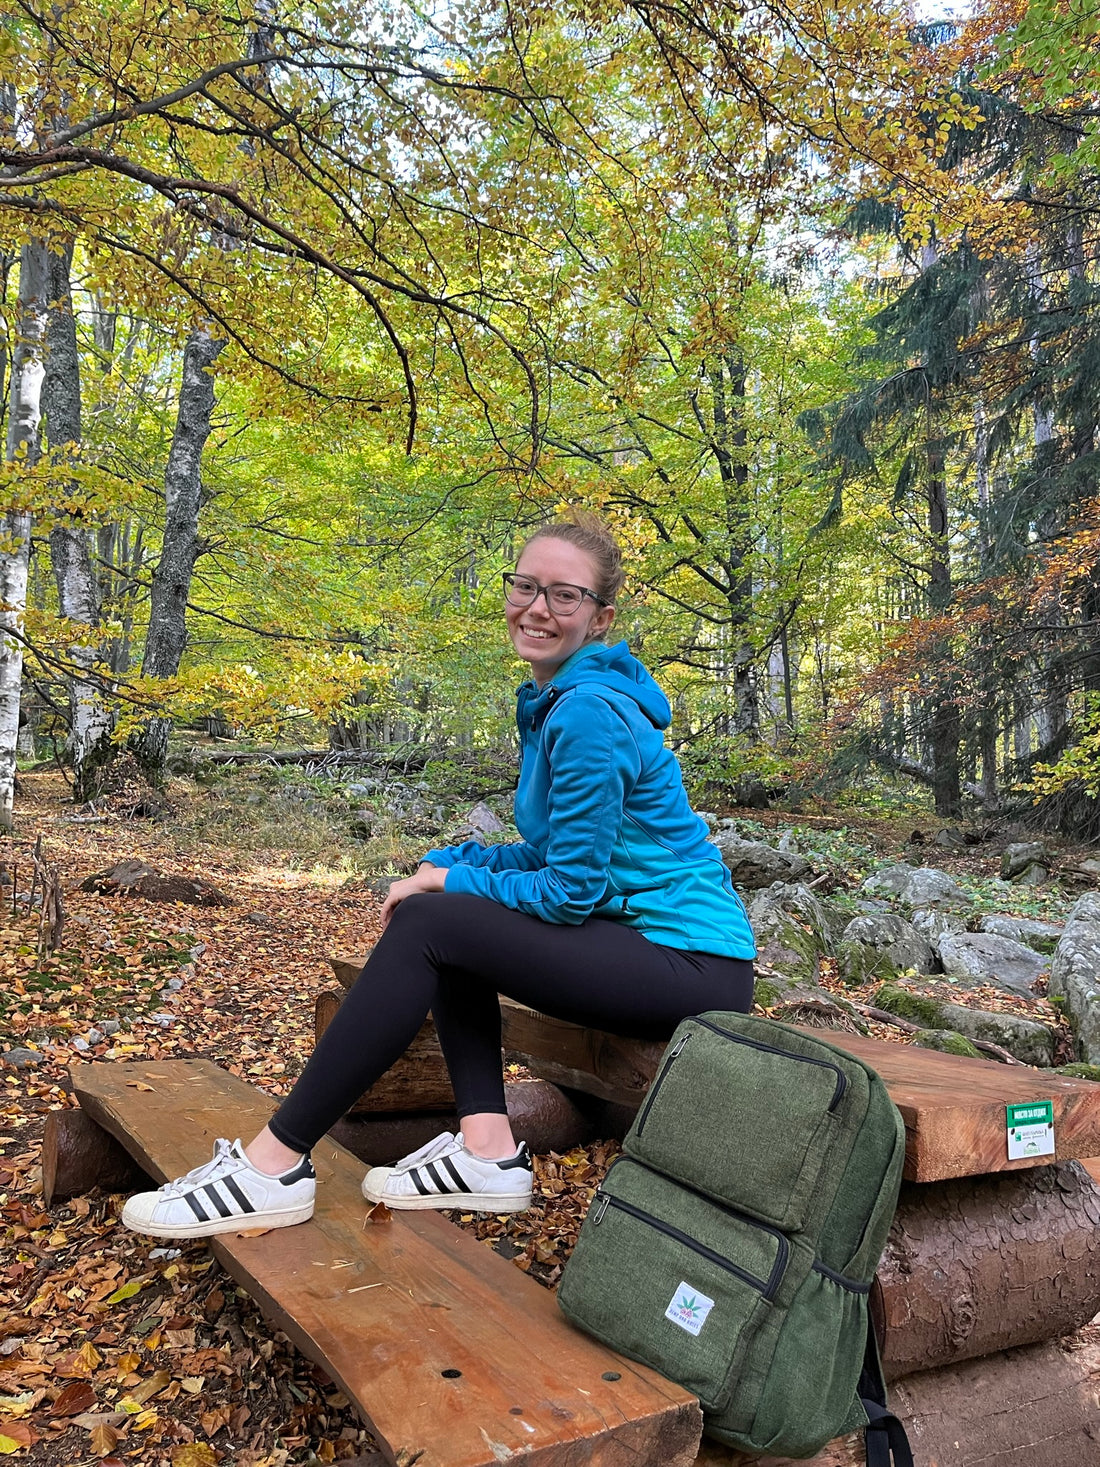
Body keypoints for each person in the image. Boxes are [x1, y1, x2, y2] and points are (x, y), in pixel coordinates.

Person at [121, 515, 756, 1239]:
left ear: (601, 616)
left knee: (435, 924)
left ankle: (273, 1167)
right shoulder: (563, 702)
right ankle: (487, 1151)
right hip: (643, 940)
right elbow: (561, 857)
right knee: (449, 919)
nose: (538, 607)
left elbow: (570, 892)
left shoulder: (588, 715)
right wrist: (452, 865)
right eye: (525, 586)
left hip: (693, 963)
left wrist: (447, 889)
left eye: (565, 595)